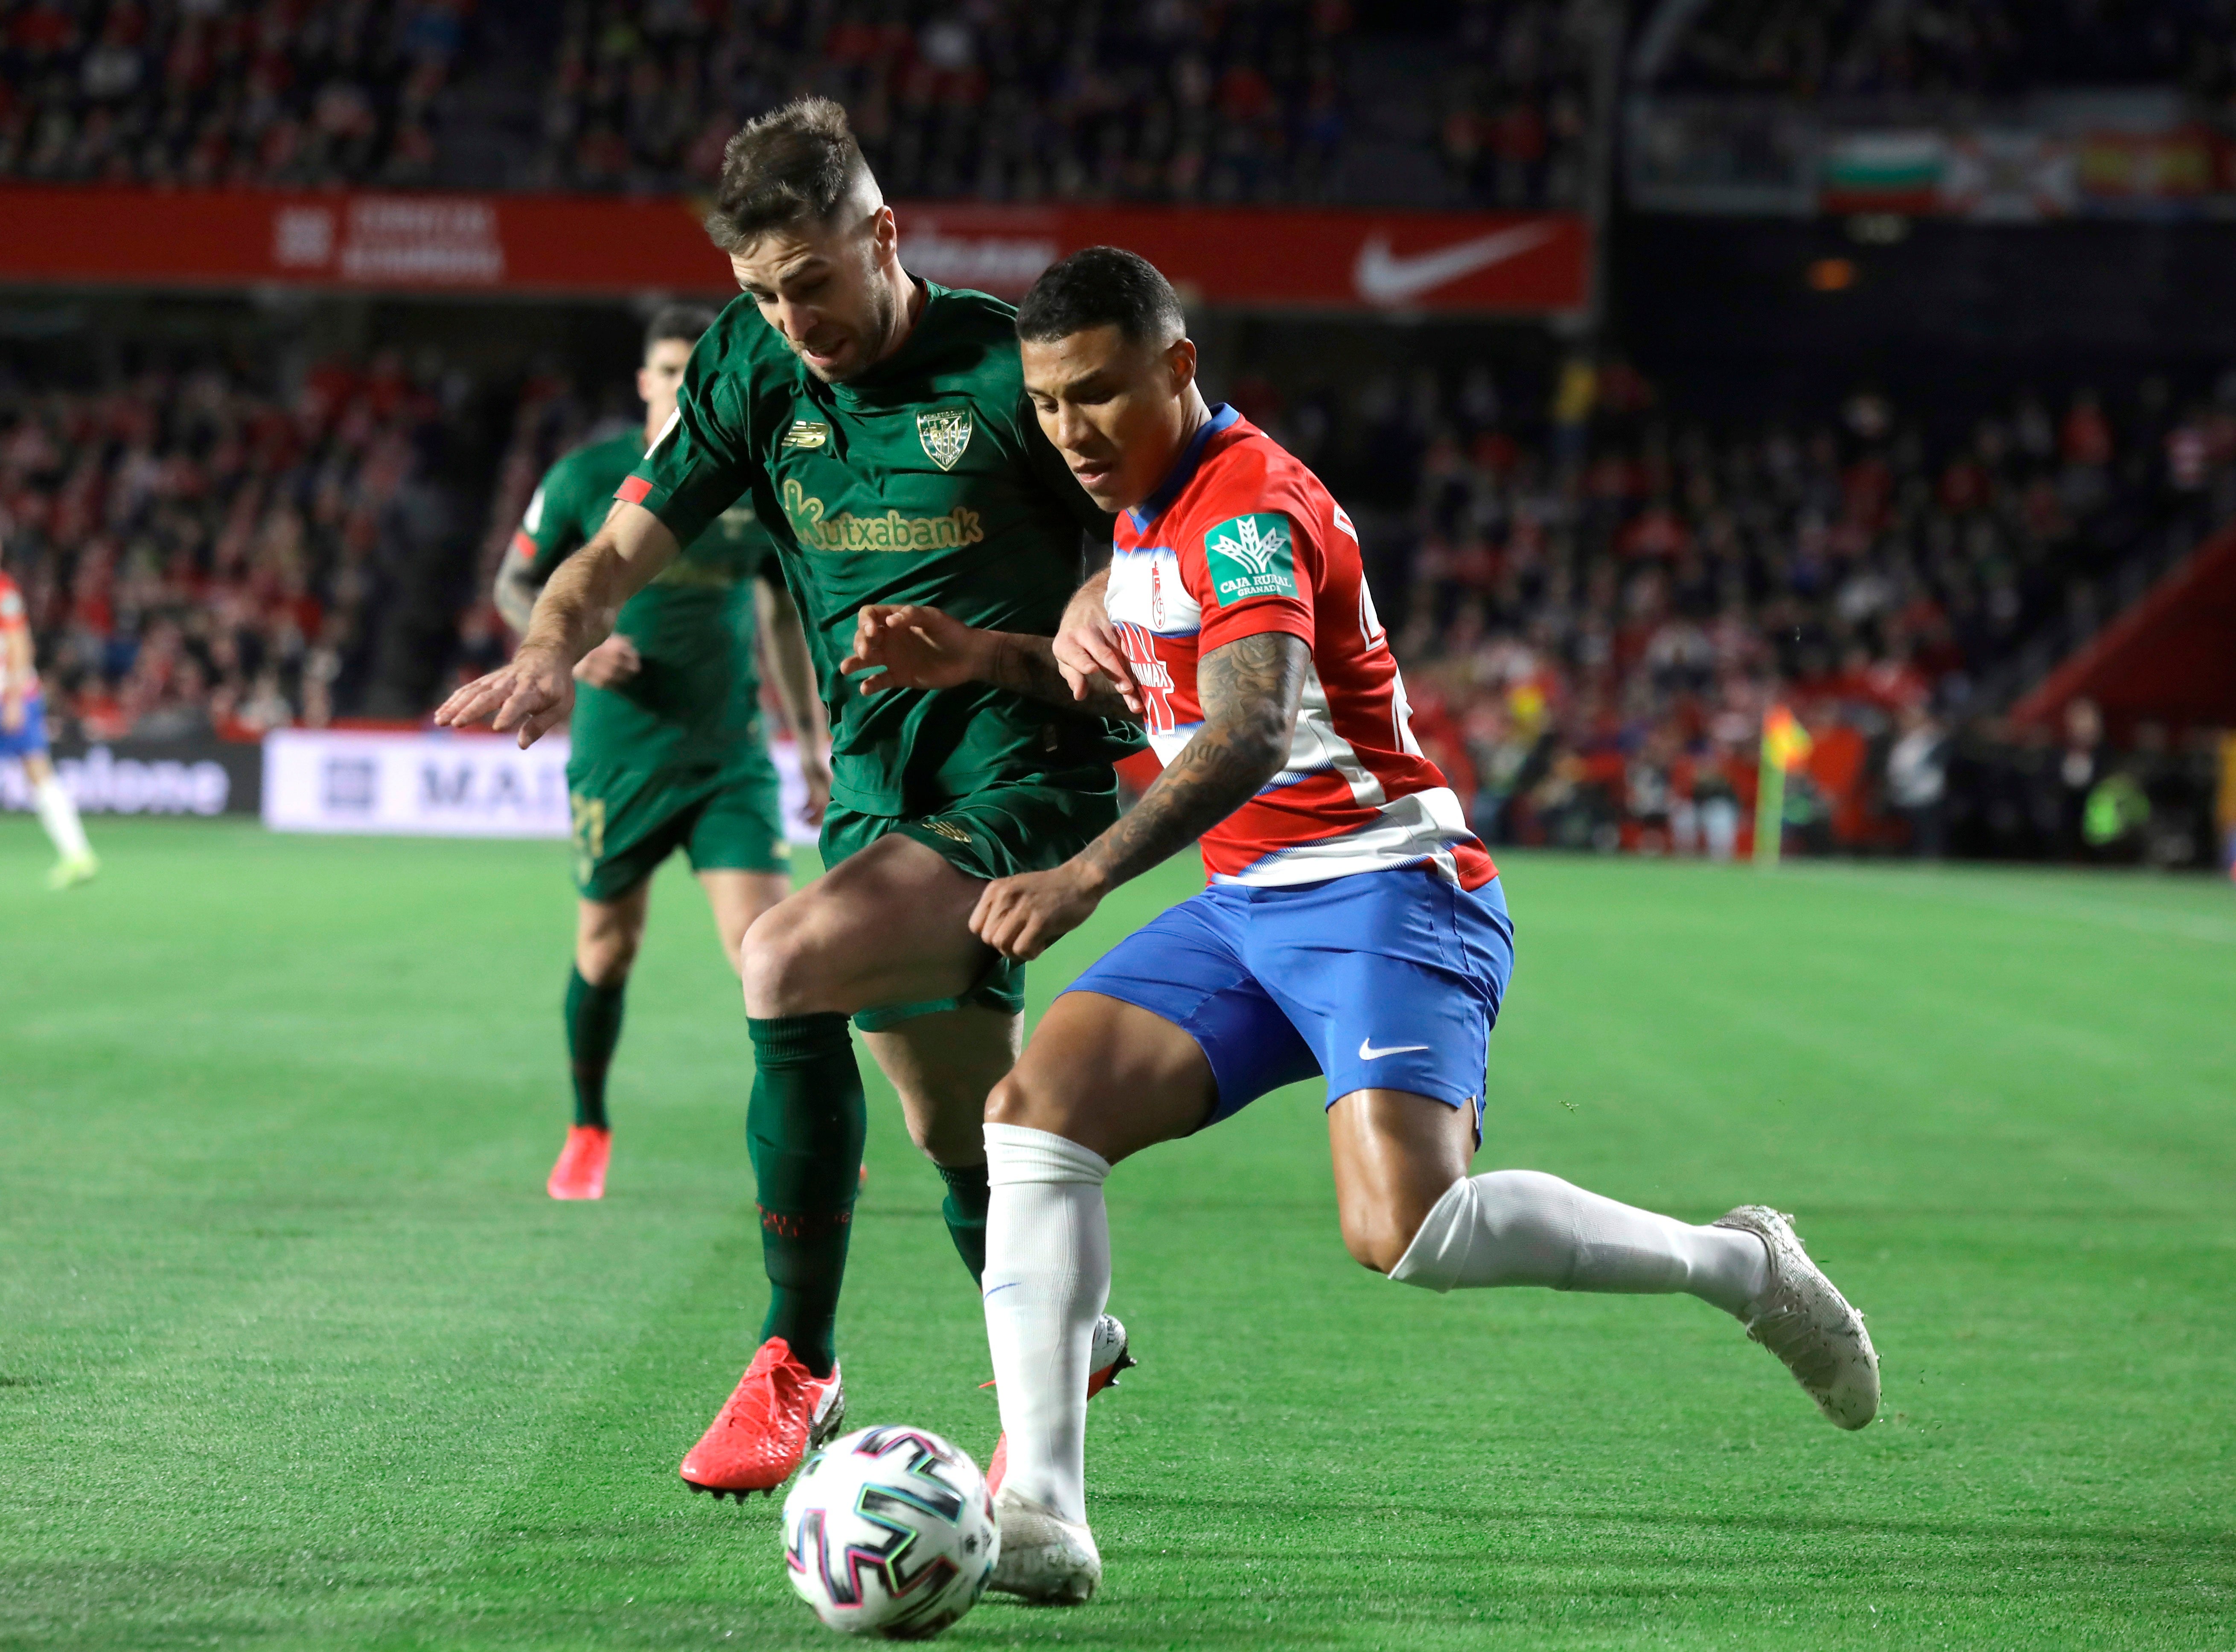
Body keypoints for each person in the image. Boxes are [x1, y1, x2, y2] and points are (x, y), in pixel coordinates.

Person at [846, 248, 1880, 1604]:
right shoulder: (1150, 513)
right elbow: (1155, 697)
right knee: (1040, 1113)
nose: (1070, 431)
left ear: (1178, 369)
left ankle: (1740, 1264)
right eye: (1046, 404)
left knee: (1408, 1231)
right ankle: (1041, 1504)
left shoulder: (1242, 507)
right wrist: (986, 655)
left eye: (1097, 394)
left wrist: (1087, 873)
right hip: (1249, 905)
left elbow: (1254, 725)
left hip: (1388, 882)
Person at [435, 99, 1140, 1499]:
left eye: (810, 281)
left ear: (881, 236)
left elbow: (1149, 532)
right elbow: (610, 552)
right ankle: (1074, 1333)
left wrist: (1090, 603)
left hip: (1024, 769)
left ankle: (795, 1361)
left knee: (784, 959)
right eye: (761, 291)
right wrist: (545, 648)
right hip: (877, 787)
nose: (789, 316)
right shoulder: (753, 369)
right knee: (961, 1128)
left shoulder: (1012, 368)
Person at [493, 305, 832, 1204]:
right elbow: (515, 579)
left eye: (697, 371)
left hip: (729, 755)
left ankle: (813, 1134)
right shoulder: (587, 477)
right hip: (620, 755)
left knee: (771, 950)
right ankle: (588, 1127)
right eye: (668, 370)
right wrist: (572, 647)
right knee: (607, 950)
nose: (683, 386)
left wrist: (808, 739)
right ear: (644, 379)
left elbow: (781, 615)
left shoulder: (753, 481)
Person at [0, 556, 97, 889]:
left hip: (11, 697)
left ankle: (78, 855)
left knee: (38, 772)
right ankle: (78, 855)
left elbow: (20, 645)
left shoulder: (3, 590)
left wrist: (13, 701)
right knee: (38, 773)